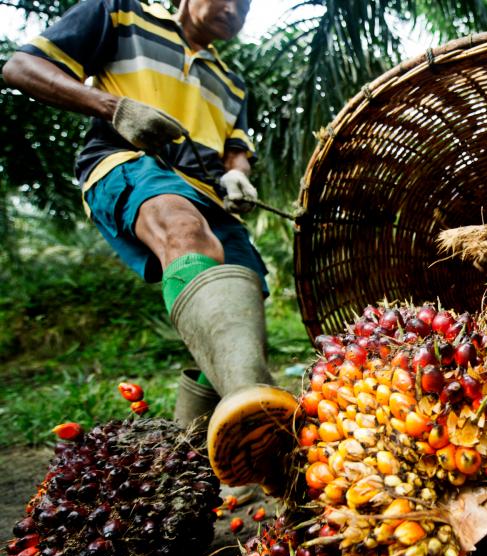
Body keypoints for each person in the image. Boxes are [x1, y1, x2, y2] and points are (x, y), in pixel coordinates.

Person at [2, 0, 297, 498]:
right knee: (181, 229)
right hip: (129, 161)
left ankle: (190, 477)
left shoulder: (233, 81)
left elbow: (237, 149)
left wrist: (237, 175)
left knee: (242, 296)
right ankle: (261, 421)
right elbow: (20, 66)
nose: (235, 7)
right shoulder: (121, 14)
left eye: (246, 4)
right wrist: (113, 107)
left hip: (211, 199)